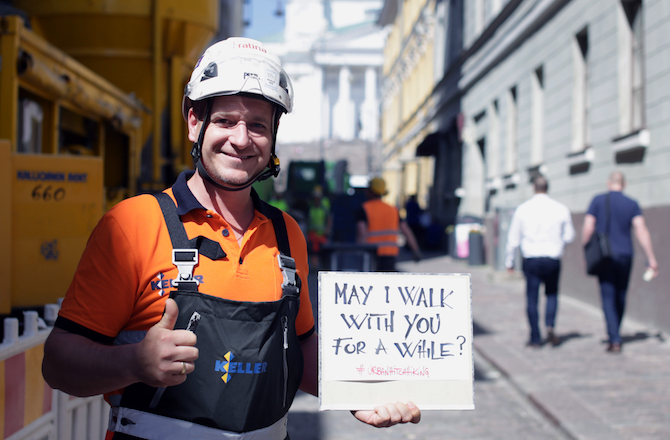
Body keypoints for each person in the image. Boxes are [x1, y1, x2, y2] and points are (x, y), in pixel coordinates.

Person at [40, 37, 420, 440]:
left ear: (273, 135)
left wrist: (359, 393)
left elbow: (300, 350)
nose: (241, 139)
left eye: (258, 125)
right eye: (225, 121)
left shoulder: (287, 235)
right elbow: (59, 364)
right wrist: (135, 362)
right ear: (194, 123)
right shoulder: (132, 223)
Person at [582, 171, 659, 353]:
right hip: (625, 254)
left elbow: (588, 227)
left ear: (609, 183)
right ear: (624, 184)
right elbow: (641, 230)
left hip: (605, 255)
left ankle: (614, 337)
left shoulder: (598, 201)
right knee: (621, 294)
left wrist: (586, 250)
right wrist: (651, 257)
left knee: (608, 294)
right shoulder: (631, 204)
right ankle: (616, 330)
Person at [505, 176, 575, 348]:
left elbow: (513, 238)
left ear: (533, 188)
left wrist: (509, 261)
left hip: (532, 258)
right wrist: (557, 242)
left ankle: (535, 338)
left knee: (531, 298)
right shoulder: (560, 208)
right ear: (547, 187)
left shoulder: (523, 209)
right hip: (552, 258)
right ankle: (550, 326)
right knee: (551, 294)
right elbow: (569, 236)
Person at [356, 177, 423, 271]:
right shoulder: (393, 210)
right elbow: (406, 231)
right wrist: (415, 250)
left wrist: (359, 253)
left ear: (370, 191)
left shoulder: (364, 209)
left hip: (371, 253)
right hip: (389, 254)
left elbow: (362, 234)